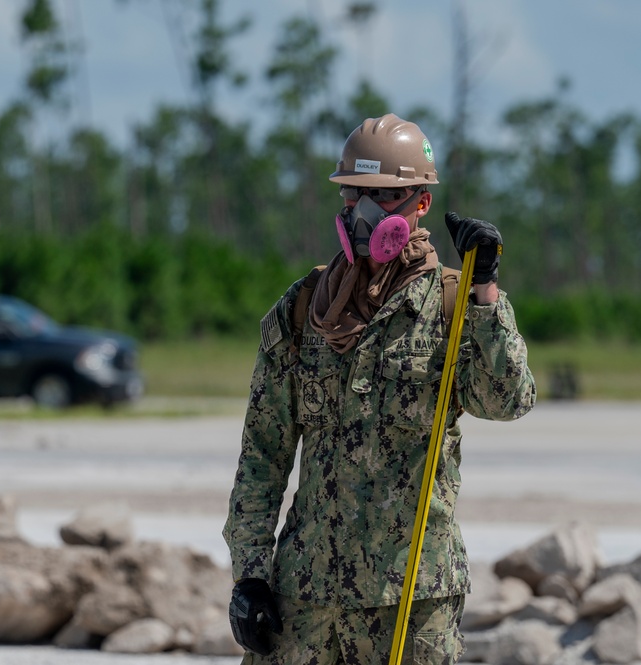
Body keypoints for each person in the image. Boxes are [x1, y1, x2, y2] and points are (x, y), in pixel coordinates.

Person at [223, 114, 536, 665]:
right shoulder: (304, 310)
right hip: (307, 601)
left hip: (412, 599)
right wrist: (250, 576)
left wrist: (484, 287)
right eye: (355, 194)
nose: (363, 211)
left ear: (421, 204)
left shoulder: (452, 306)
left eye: (384, 198)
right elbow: (262, 456)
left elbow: (507, 401)